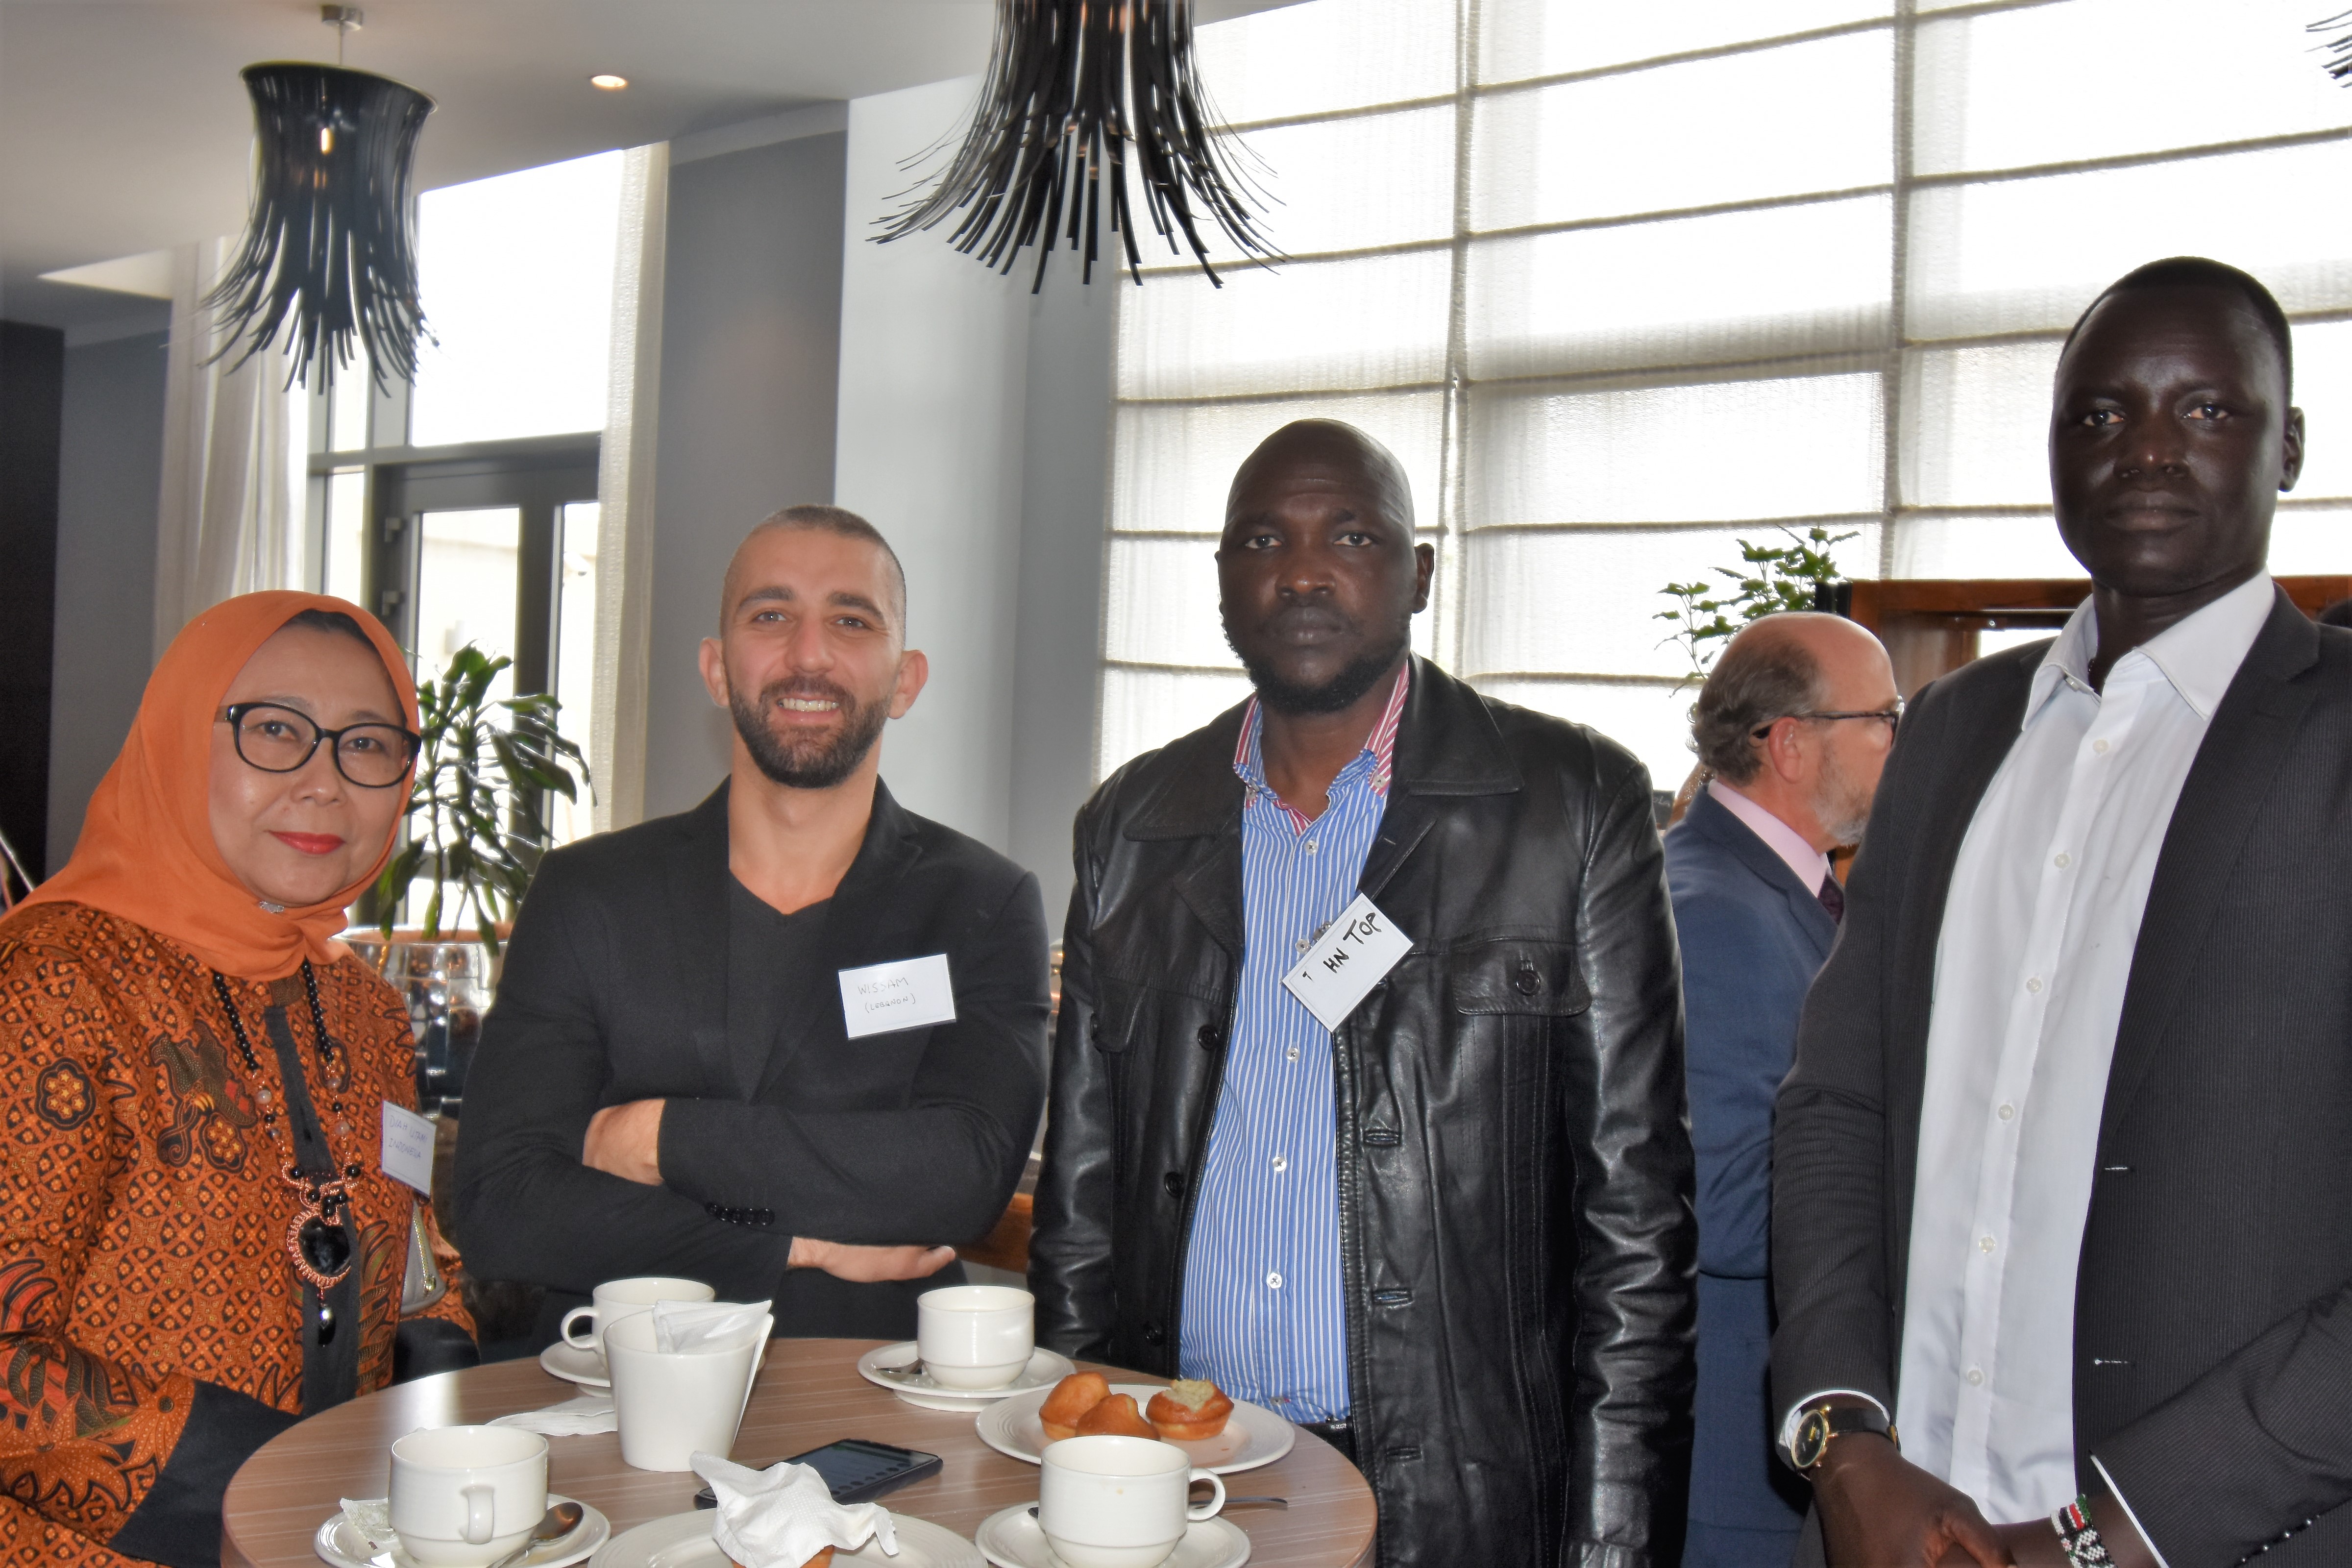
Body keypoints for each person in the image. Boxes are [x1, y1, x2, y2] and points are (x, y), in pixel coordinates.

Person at [1030, 419, 1696, 1567]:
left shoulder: (1570, 805)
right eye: (1262, 541)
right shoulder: (1133, 824)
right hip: (1179, 1476)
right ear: (1222, 581)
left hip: (1455, 1499)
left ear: (1419, 572)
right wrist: (1082, 1464)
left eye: (1350, 535)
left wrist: (1615, 1540)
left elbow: (1636, 1223)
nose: (1302, 572)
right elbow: (1081, 1206)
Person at [1773, 256, 2352, 1566]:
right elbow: (1838, 1104)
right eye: (2099, 414)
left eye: (2206, 409)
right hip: (1899, 1522)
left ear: (2290, 447)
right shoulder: (1956, 730)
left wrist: (2116, 1530)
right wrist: (1845, 1441)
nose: (2145, 448)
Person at [453, 506, 1051, 1344]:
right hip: (608, 1388)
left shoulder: (982, 905)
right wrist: (792, 1247)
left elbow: (961, 1178)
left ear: (905, 680)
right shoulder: (589, 894)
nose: (808, 655)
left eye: (851, 621)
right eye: (771, 617)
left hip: (872, 1389)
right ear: (717, 669)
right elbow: (502, 1203)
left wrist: (661, 1137)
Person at [0, 592, 475, 1567]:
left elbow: (415, 1267)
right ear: (181, 738)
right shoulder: (54, 983)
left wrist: (447, 1402)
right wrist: (277, 1486)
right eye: (275, 731)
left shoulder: (365, 1010)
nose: (324, 785)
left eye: (367, 745)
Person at [1666, 614, 1897, 1567]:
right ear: (1792, 744)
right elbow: (1722, 1203)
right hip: (1734, 1461)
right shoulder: (1717, 913)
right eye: (1885, 718)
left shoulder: (1775, 891)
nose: (1901, 742)